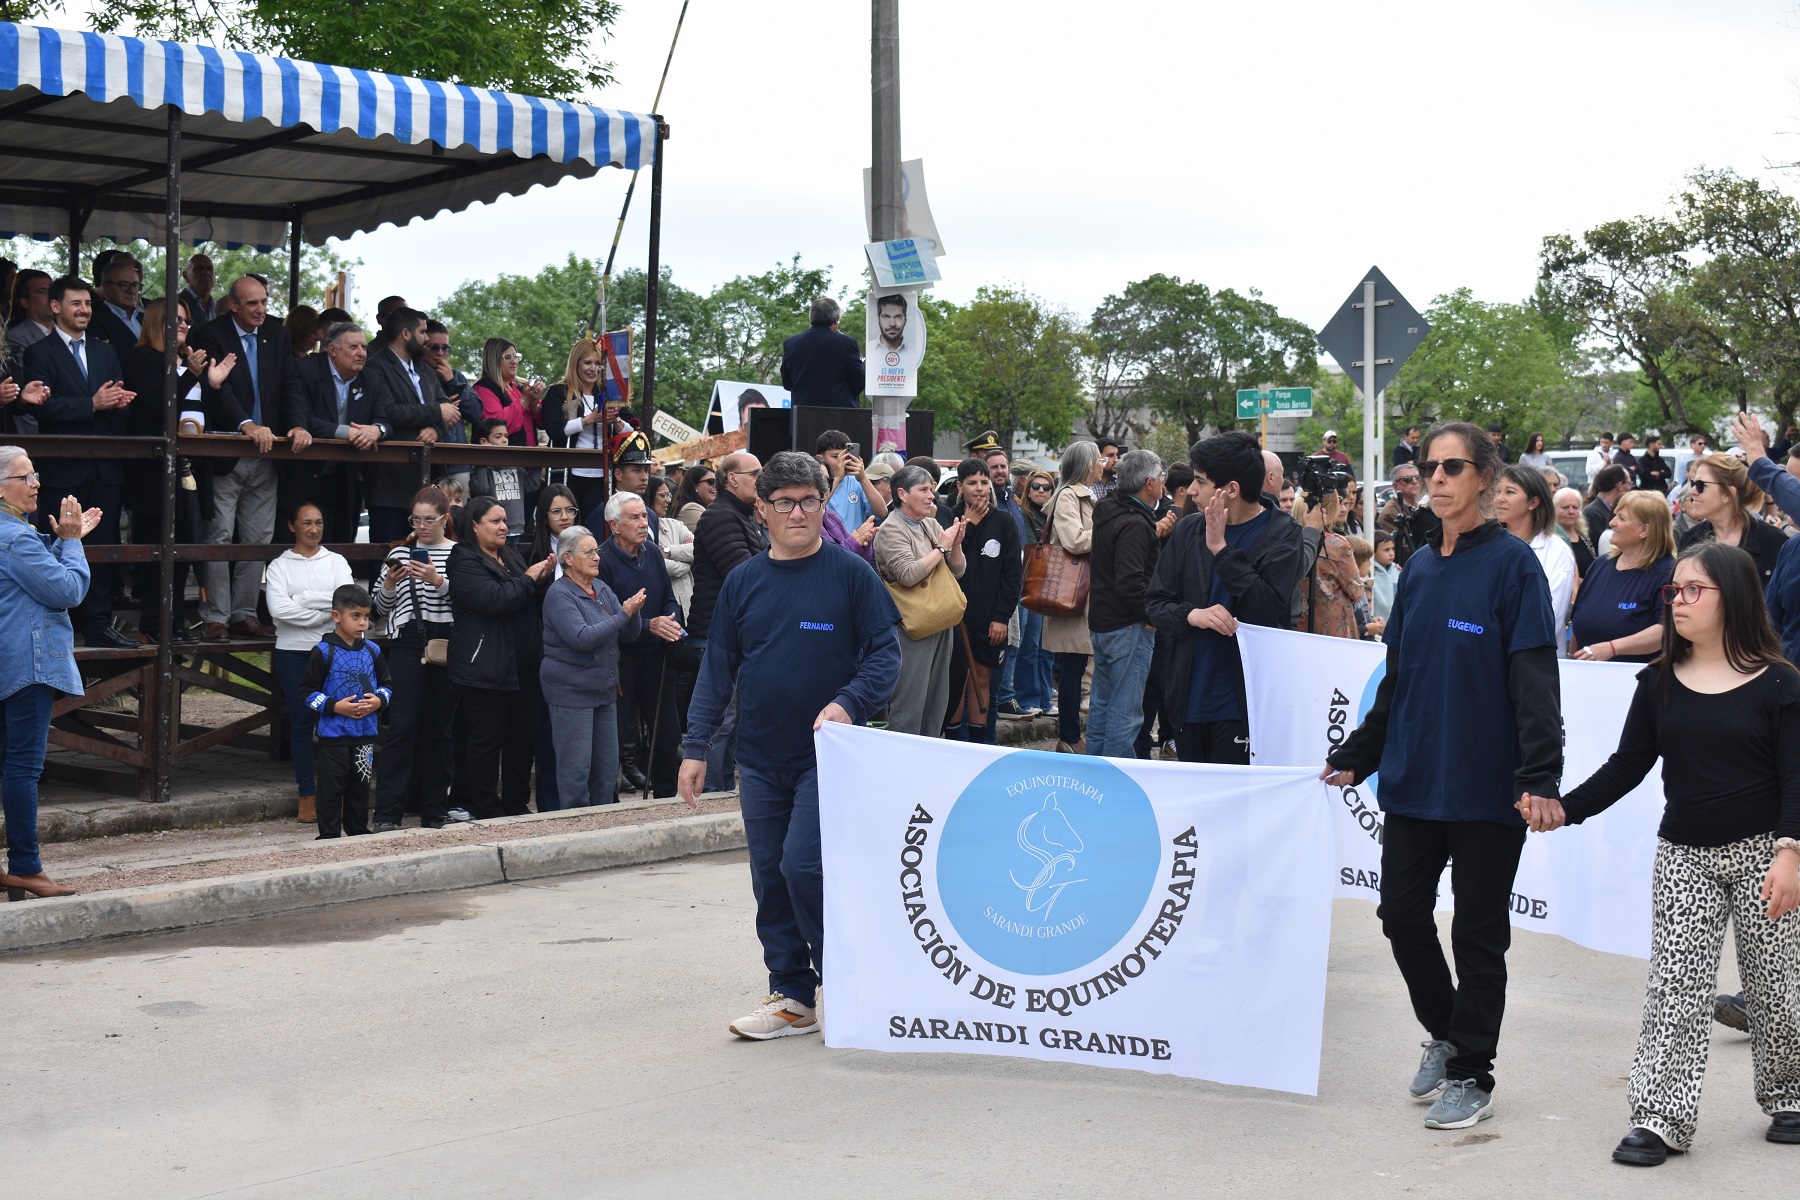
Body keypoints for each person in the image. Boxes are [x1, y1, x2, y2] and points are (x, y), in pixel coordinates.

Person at [1519, 542, 1800, 1166]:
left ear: (1735, 598)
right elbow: (1628, 765)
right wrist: (1565, 808)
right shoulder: (1659, 681)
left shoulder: (1782, 683)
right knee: (1676, 986)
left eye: (1693, 590)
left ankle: (1790, 1096)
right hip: (1685, 856)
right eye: (1673, 590)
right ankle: (1659, 1116)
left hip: (1766, 853)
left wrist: (1790, 854)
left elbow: (1796, 777)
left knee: (1775, 986)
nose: (1677, 601)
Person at [1320, 421, 1562, 1132]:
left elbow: (1533, 678)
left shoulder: (1514, 565)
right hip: (1416, 778)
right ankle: (1448, 1030)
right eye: (1431, 467)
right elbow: (1398, 680)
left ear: (1486, 479)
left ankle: (1472, 1073)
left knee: (1478, 935)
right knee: (1400, 916)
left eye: (1454, 467)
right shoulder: (1421, 566)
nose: (1439, 478)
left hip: (1488, 785)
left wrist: (1540, 774)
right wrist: (1361, 752)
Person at [678, 450, 901, 1039]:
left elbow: (885, 653)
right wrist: (695, 746)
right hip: (758, 758)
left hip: (826, 758)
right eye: (784, 502)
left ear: (823, 504)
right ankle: (792, 996)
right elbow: (716, 669)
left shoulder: (853, 575)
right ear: (763, 509)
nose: (797, 512)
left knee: (804, 868)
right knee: (769, 878)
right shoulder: (742, 582)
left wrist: (848, 702)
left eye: (808, 501)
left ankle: (851, 985)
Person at [1147, 430, 1303, 764]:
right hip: (1187, 702)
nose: (1190, 490)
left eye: (1200, 481)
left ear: (1231, 489)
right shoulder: (1188, 530)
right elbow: (1155, 605)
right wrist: (1192, 615)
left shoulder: (1283, 534)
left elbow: (1266, 609)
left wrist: (1220, 548)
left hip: (1245, 705)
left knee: (1237, 813)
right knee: (1195, 812)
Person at [21, 274, 138, 647]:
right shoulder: (39, 353)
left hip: (104, 465)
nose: (84, 309)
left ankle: (99, 623)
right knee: (60, 546)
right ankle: (62, 622)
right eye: (76, 303)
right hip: (63, 468)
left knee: (101, 546)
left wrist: (117, 404)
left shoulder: (106, 352)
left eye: (88, 303)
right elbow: (43, 410)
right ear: (56, 307)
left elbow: (118, 406)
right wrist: (91, 405)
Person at [0, 449, 97, 897]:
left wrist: (64, 542)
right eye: (26, 476)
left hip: (10, 659)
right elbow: (66, 589)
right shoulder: (13, 538)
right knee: (22, 768)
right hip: (25, 664)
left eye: (35, 474)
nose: (36, 483)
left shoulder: (16, 533)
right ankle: (24, 866)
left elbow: (35, 579)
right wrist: (73, 543)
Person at [190, 275, 296, 642]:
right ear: (233, 304)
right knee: (219, 534)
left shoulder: (278, 335)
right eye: (252, 303)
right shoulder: (210, 334)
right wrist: (246, 423)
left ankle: (245, 614)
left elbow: (290, 384)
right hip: (227, 449)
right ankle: (216, 617)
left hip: (269, 451)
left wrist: (297, 425)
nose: (261, 309)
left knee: (258, 537)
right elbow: (220, 390)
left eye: (264, 301)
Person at [123, 295, 228, 640]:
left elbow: (201, 409)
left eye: (186, 321)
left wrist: (209, 383)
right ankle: (154, 626)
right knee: (157, 548)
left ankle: (175, 624)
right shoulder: (144, 359)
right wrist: (191, 376)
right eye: (176, 320)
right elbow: (157, 405)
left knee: (184, 548)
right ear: (157, 323)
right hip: (156, 472)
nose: (184, 326)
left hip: (191, 468)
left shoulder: (188, 362)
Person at [448, 495, 553, 818]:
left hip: (522, 666)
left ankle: (516, 804)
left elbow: (523, 594)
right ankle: (484, 807)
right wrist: (528, 579)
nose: (504, 526)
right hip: (484, 668)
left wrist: (540, 579)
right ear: (475, 526)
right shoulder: (463, 559)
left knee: (522, 740)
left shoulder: (509, 555)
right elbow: (493, 599)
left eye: (505, 520)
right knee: (485, 742)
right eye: (495, 521)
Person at [371, 486, 464, 830]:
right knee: (402, 726)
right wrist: (391, 585)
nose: (422, 526)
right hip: (409, 643)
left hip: (447, 643)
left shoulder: (458, 554)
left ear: (444, 519)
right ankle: (387, 813)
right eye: (416, 519)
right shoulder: (400, 553)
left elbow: (468, 603)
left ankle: (435, 809)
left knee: (439, 730)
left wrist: (437, 580)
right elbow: (378, 611)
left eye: (429, 520)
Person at [542, 525, 645, 809]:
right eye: (588, 552)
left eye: (597, 551)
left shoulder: (600, 587)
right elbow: (582, 638)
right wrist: (624, 614)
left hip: (604, 691)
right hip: (571, 692)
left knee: (607, 770)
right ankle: (576, 834)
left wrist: (633, 614)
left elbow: (628, 634)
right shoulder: (559, 594)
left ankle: (603, 830)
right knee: (575, 771)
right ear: (567, 558)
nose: (597, 557)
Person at [265, 502, 352, 827]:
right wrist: (325, 611)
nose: (313, 529)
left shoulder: (336, 562)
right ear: (293, 526)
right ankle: (307, 795)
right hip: (292, 652)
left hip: (333, 652)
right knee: (302, 725)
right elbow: (278, 610)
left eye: (318, 522)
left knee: (336, 723)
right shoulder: (279, 566)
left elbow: (347, 601)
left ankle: (336, 795)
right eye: (306, 523)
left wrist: (302, 601)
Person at [598, 491, 685, 797]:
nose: (642, 522)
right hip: (619, 658)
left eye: (644, 516)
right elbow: (604, 615)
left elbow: (668, 597)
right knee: (615, 731)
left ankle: (666, 795)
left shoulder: (651, 551)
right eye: (633, 517)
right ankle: (606, 800)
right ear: (614, 525)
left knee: (667, 731)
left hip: (655, 655)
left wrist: (671, 618)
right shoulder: (603, 560)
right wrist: (650, 624)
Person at [689, 451, 766, 793]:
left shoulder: (742, 515)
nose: (762, 479)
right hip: (716, 632)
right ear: (732, 479)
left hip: (738, 630)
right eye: (756, 472)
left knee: (734, 720)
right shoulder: (720, 516)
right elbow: (743, 575)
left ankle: (722, 788)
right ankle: (712, 793)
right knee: (721, 718)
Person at [873, 464, 965, 737]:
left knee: (936, 701)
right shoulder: (891, 529)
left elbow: (958, 570)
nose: (931, 496)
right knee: (910, 703)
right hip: (911, 628)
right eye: (924, 490)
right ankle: (902, 768)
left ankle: (928, 760)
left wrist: (956, 543)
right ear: (902, 493)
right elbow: (909, 574)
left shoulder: (930, 523)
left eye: (932, 490)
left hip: (940, 620)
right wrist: (942, 547)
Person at [1086, 449, 1164, 757]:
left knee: (1103, 707)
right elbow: (1130, 582)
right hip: (1127, 626)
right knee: (1125, 713)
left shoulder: (1110, 510)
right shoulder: (1133, 522)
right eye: (1160, 478)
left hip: (1105, 622)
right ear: (1148, 483)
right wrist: (1151, 617)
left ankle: (1094, 778)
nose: (1163, 484)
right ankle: (1115, 783)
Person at [300, 584, 391, 839]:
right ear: (336, 616)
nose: (363, 622)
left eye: (366, 616)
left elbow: (387, 685)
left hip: (365, 736)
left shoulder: (373, 651)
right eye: (355, 616)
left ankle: (358, 832)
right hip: (333, 737)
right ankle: (328, 836)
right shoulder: (323, 652)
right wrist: (335, 707)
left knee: (360, 787)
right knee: (331, 789)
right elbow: (307, 693)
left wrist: (378, 702)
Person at [364, 308, 460, 544]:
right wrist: (436, 411)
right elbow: (388, 412)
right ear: (406, 333)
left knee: (426, 555)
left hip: (427, 480)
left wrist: (436, 430)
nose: (427, 338)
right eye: (423, 332)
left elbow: (451, 412)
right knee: (388, 554)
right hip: (390, 482)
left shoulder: (425, 369)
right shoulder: (376, 367)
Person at [280, 320, 381, 545]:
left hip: (345, 477)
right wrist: (349, 433)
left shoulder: (371, 378)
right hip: (305, 472)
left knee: (341, 542)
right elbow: (302, 419)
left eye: (363, 347)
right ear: (332, 350)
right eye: (353, 347)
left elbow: (384, 418)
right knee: (293, 544)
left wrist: (376, 430)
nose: (362, 353)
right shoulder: (305, 369)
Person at [945, 458, 1021, 744]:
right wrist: (971, 526)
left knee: (981, 678)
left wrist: (1002, 617)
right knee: (957, 681)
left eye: (983, 482)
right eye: (972, 483)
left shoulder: (1004, 522)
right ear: (960, 487)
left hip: (990, 619)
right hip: (954, 619)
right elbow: (948, 563)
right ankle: (952, 743)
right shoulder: (947, 517)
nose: (979, 489)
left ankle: (978, 744)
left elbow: (1012, 575)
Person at [1042, 440, 1102, 752]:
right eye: (1098, 460)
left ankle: (1069, 736)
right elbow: (1074, 540)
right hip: (1071, 591)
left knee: (1074, 665)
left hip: (1080, 592)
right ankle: (1068, 736)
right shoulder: (1068, 495)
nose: (1102, 465)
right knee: (1071, 667)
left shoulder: (1083, 495)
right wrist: (1108, 530)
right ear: (1085, 464)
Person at [1494, 466, 1576, 655]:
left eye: (1510, 492)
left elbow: (1550, 617)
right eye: (1499, 491)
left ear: (1533, 501)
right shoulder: (1487, 546)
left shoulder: (1557, 551)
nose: (1500, 498)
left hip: (1534, 660)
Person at [1678, 452, 1784, 590]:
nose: (1692, 491)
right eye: (1693, 482)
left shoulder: (1774, 541)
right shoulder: (1690, 540)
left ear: (1728, 494)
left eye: (1700, 484)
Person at [1002, 467, 1058, 720]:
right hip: (1029, 584)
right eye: (1035, 486)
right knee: (1028, 645)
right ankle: (1028, 697)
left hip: (1053, 585)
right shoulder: (1022, 514)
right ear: (1027, 489)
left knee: (1046, 647)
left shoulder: (1053, 516)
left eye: (1046, 487)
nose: (1041, 491)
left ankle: (1044, 698)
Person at [544, 337, 615, 519]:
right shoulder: (558, 392)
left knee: (595, 526)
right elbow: (554, 429)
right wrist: (588, 419)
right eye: (587, 362)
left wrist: (617, 420)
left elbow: (631, 427)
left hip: (602, 473)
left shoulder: (610, 395)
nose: (593, 368)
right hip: (570, 473)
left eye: (598, 363)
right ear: (576, 363)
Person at [1293, 485, 1364, 640]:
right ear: (1331, 507)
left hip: (1296, 629)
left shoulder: (1288, 539)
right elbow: (1356, 592)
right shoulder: (1337, 546)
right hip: (1333, 633)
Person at [779, 296, 863, 409]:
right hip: (840, 417)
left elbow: (787, 383)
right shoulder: (847, 343)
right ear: (836, 319)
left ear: (811, 317)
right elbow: (859, 382)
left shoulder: (791, 343)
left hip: (802, 418)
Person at [469, 419, 534, 540]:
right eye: (498, 437)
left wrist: (537, 465)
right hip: (492, 529)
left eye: (506, 436)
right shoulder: (481, 468)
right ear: (484, 441)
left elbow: (530, 486)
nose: (504, 440)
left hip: (516, 528)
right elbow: (480, 489)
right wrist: (483, 460)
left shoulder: (515, 464)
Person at [474, 337, 543, 450]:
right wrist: (524, 400)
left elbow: (543, 424)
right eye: (507, 357)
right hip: (503, 461)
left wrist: (534, 405)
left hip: (530, 457)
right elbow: (495, 428)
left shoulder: (522, 386)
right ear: (493, 360)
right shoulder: (484, 388)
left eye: (516, 357)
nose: (514, 362)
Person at [816, 429, 887, 533]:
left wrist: (863, 478)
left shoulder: (856, 481)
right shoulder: (814, 482)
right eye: (836, 457)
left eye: (846, 456)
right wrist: (837, 479)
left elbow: (882, 513)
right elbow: (818, 506)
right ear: (821, 458)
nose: (842, 461)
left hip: (855, 546)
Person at [647, 473, 695, 616]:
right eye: (663, 496)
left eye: (669, 495)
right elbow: (657, 564)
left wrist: (669, 551)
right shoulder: (643, 530)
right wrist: (687, 564)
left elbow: (698, 549)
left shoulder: (675, 525)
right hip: (663, 606)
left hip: (688, 603)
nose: (668, 500)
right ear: (649, 496)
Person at [1378, 462, 1434, 567]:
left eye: (1417, 477)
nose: (1414, 481)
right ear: (1395, 486)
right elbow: (1402, 549)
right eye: (1408, 479)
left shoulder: (1420, 507)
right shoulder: (1390, 512)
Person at [1584, 464, 1632, 547]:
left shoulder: (1612, 510)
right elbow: (1608, 545)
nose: (1630, 488)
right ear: (1619, 486)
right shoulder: (1593, 513)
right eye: (1629, 483)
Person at [1554, 486, 1597, 578]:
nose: (1571, 511)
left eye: (1575, 507)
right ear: (1554, 509)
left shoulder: (1584, 537)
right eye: (1565, 507)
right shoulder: (1550, 539)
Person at [674, 464, 716, 531]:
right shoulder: (690, 508)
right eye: (711, 482)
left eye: (716, 483)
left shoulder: (707, 508)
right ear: (695, 485)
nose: (715, 486)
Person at [178, 252, 216, 326]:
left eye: (209, 268)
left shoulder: (218, 308)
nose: (206, 272)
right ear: (185, 276)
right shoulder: (175, 304)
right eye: (198, 268)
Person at [1371, 529, 1399, 622]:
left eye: (1392, 549)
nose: (1391, 553)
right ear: (1373, 552)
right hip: (1378, 623)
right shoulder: (1369, 572)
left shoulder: (1397, 570)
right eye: (1386, 550)